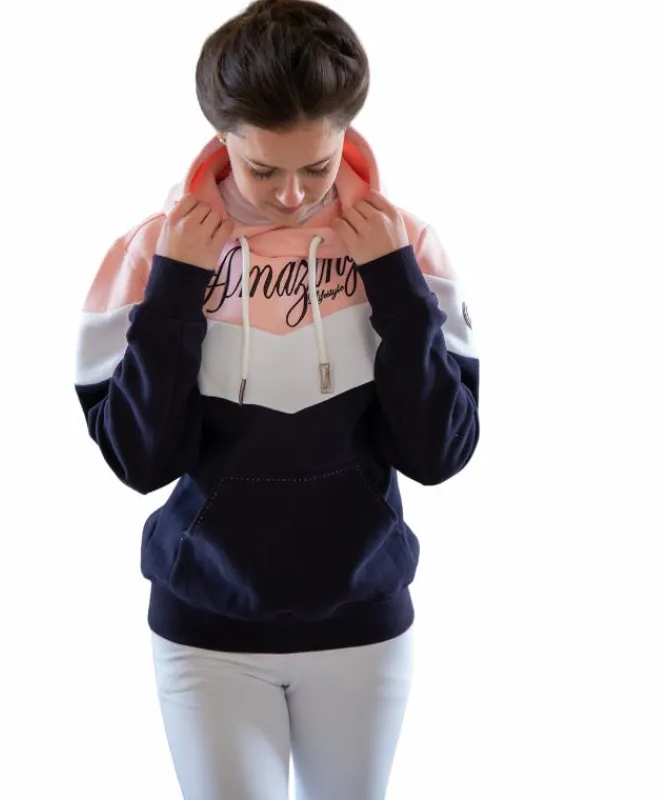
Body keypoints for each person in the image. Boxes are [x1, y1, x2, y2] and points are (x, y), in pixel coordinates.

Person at [73, 0, 479, 797]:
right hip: (204, 631)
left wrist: (394, 284)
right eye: (264, 170)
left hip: (363, 626)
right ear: (221, 135)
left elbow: (439, 453)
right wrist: (177, 286)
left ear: (346, 136)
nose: (292, 195)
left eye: (316, 168)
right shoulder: (151, 251)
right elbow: (141, 461)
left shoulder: (406, 245)